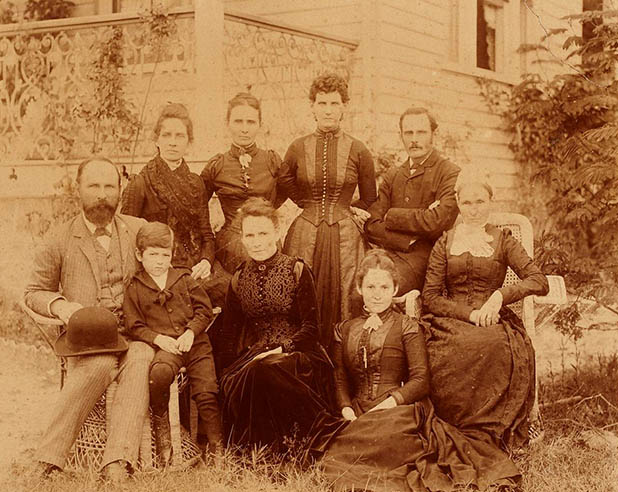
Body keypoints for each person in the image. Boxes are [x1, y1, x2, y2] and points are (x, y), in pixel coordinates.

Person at [321, 249, 526, 491]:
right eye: (371, 287)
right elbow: (340, 378)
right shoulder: (343, 329)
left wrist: (387, 404)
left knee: (388, 437)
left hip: (397, 410)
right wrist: (347, 410)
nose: (377, 295)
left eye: (384, 288)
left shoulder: (406, 326)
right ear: (359, 288)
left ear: (395, 289)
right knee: (337, 450)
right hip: (358, 410)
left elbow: (420, 381)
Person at [24, 157, 153, 482]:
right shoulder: (60, 237)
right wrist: (60, 307)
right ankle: (48, 458)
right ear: (78, 190)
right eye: (93, 186)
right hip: (89, 339)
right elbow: (34, 291)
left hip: (135, 333)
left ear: (120, 191)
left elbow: (164, 270)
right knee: (99, 366)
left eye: (109, 186)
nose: (101, 194)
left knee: (140, 358)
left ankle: (117, 461)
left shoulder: (137, 230)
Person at [422, 174, 549, 450]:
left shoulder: (503, 240)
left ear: (490, 201)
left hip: (493, 320)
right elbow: (430, 297)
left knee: (491, 344)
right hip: (451, 320)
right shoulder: (445, 242)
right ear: (458, 203)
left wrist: (500, 296)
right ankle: (453, 428)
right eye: (467, 202)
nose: (474, 208)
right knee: (440, 350)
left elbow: (539, 280)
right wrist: (468, 314)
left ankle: (489, 432)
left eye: (480, 201)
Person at [218, 197, 332, 453]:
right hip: (258, 355)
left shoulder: (297, 270)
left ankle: (291, 447)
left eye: (263, 233)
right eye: (250, 235)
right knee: (244, 374)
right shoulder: (238, 278)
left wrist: (282, 348)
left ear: (276, 233)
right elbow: (228, 334)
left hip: (299, 355)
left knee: (266, 369)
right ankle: (262, 450)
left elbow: (312, 328)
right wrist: (224, 372)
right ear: (242, 238)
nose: (256, 242)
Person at [279, 73, 377, 348]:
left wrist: (348, 211)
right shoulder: (298, 147)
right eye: (322, 103)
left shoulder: (358, 149)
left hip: (345, 240)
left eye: (334, 103)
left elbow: (370, 197)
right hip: (304, 236)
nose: (328, 110)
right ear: (312, 106)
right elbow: (284, 181)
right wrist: (306, 204)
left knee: (347, 300)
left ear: (344, 106)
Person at [122, 222, 224, 466]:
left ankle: (216, 446)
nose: (159, 261)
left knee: (207, 391)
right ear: (139, 255)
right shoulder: (135, 287)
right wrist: (158, 339)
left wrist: (191, 332)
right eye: (153, 254)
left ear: (172, 254)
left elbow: (204, 310)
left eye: (165, 255)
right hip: (166, 347)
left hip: (196, 344)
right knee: (159, 373)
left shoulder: (183, 278)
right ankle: (162, 430)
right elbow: (134, 325)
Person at [365, 107, 460, 294]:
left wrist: (391, 215)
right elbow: (371, 223)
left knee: (381, 289)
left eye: (421, 132)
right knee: (356, 288)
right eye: (408, 133)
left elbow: (437, 222)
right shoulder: (393, 175)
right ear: (401, 135)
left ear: (434, 134)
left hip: (427, 259)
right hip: (387, 253)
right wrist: (406, 240)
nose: (414, 139)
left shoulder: (449, 172)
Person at [121, 103, 215, 282]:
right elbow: (126, 238)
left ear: (189, 141)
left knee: (225, 289)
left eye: (180, 136)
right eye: (166, 135)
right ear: (156, 140)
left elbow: (207, 234)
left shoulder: (196, 183)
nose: (173, 142)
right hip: (157, 269)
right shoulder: (140, 183)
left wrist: (206, 261)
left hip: (195, 266)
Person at [200, 92, 286, 286]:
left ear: (260, 125)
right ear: (228, 123)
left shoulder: (272, 161)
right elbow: (197, 205)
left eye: (251, 122)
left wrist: (265, 208)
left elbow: (287, 192)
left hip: (266, 236)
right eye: (238, 121)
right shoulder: (217, 165)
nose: (244, 129)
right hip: (232, 241)